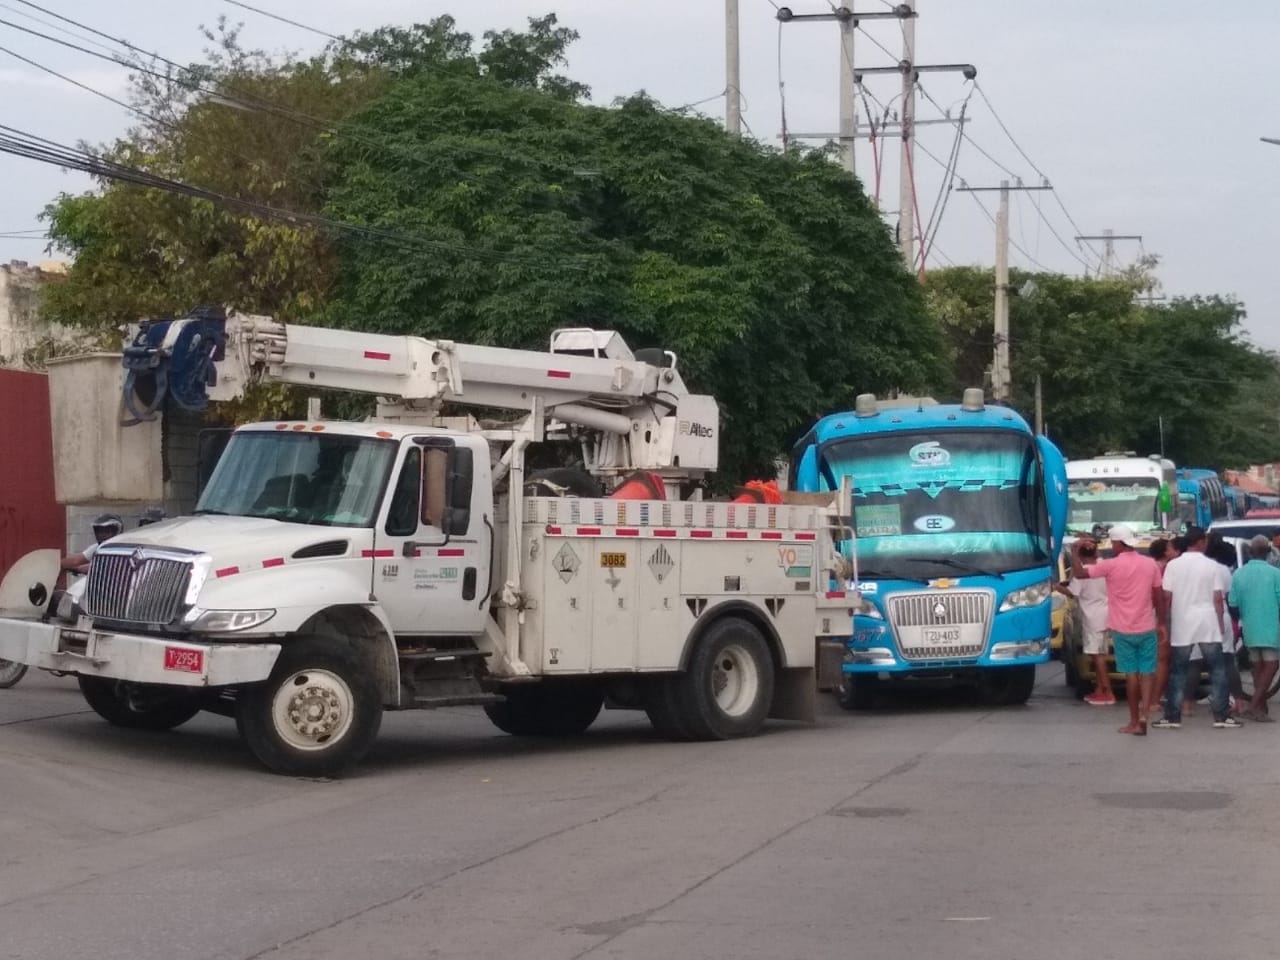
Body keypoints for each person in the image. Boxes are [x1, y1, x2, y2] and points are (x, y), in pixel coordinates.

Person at [1070, 523, 1166, 735]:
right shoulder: (1150, 565)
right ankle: (1144, 715)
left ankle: (1133, 721)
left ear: (1116, 543)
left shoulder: (1110, 566)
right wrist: (1161, 622)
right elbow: (1158, 595)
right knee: (1147, 673)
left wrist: (1074, 550)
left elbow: (1079, 574)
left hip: (1122, 629)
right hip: (1147, 626)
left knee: (1131, 674)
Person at [1153, 526, 1243, 729]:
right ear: (1201, 542)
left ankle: (1172, 717)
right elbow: (1218, 599)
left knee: (1179, 670)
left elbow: (1166, 597)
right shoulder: (1212, 566)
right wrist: (1220, 624)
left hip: (1183, 623)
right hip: (1208, 622)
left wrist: (1163, 623)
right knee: (1217, 670)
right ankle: (1221, 716)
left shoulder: (1173, 566)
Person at [1228, 534, 1280, 722]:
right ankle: (1254, 705)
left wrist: (1243, 618)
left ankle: (1261, 709)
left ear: (1249, 552)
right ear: (1267, 553)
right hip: (1270, 627)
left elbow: (1232, 603)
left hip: (1249, 627)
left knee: (1257, 668)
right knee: (1272, 666)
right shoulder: (1275, 574)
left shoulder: (1239, 575)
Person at [1058, 537, 1113, 704]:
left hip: (1092, 618)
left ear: (1080, 557)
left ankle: (1106, 692)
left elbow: (1072, 592)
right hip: (1106, 615)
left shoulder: (1084, 574)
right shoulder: (1103, 568)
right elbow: (1098, 555)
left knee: (1097, 657)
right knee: (1100, 654)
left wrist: (1055, 586)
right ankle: (1099, 689)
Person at [1147, 538, 1178, 720]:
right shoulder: (1165, 569)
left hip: (1145, 615)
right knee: (1162, 659)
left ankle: (1150, 697)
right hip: (1162, 615)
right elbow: (1163, 596)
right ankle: (1155, 699)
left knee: (1151, 659)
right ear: (1165, 552)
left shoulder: (1149, 566)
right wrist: (1162, 621)